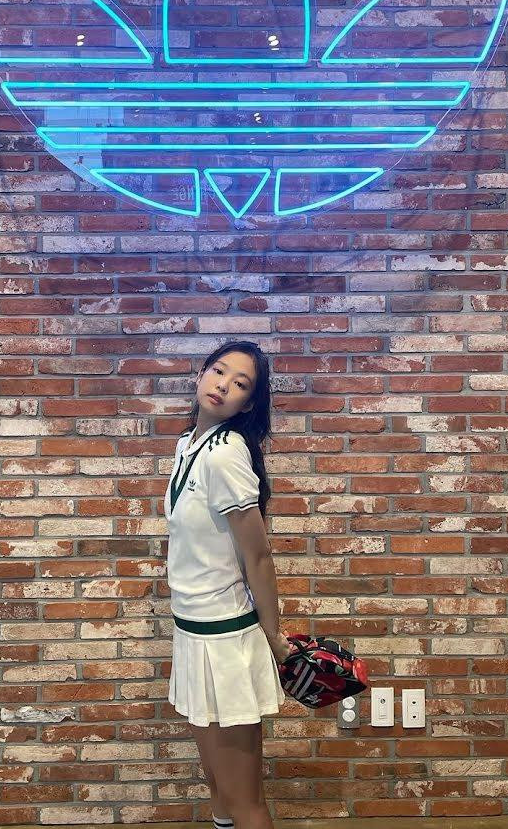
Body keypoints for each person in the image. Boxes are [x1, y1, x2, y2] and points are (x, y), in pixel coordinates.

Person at [165, 340, 291, 829]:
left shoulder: (225, 455)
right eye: (219, 371)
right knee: (218, 789)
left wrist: (274, 636)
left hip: (225, 640)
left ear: (248, 404)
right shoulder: (189, 444)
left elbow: (258, 555)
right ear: (200, 374)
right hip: (192, 630)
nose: (223, 385)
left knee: (244, 801)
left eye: (240, 384)